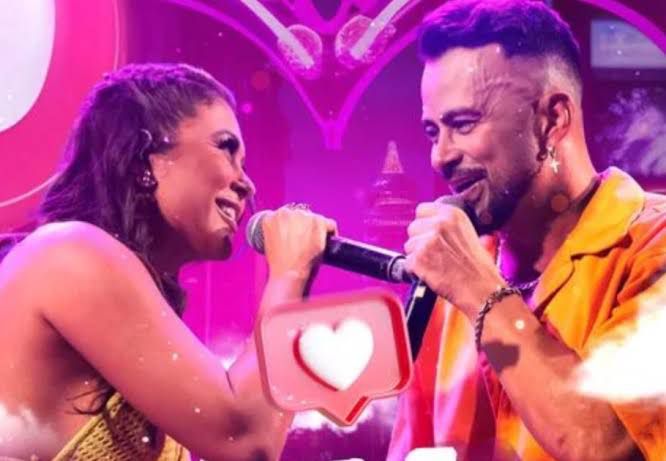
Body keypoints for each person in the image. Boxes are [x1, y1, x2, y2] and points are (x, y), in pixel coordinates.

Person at [0, 63, 335, 460]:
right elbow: (248, 443)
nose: (246, 183)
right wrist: (289, 275)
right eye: (226, 148)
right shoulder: (69, 253)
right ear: (145, 160)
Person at [389, 1, 666, 460]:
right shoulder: (448, 273)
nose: (440, 156)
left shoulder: (652, 248)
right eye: (433, 131)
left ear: (552, 120)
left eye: (463, 124)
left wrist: (481, 292)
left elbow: (611, 446)